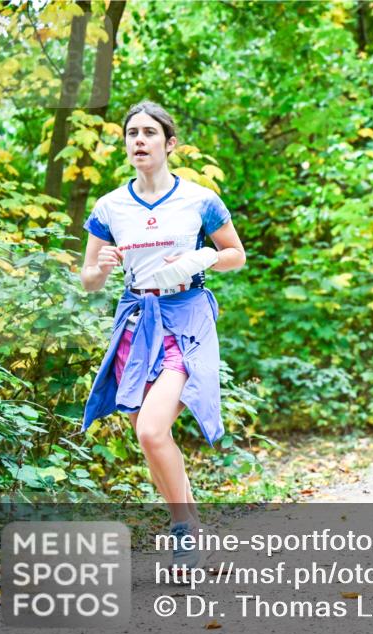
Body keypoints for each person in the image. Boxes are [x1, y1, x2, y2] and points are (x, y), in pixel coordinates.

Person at [80, 101, 246, 573]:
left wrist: (198, 260)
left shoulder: (200, 200)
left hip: (186, 318)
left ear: (169, 144)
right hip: (137, 320)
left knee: (151, 429)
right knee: (152, 436)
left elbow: (235, 254)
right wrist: (101, 267)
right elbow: (88, 278)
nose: (139, 141)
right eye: (132, 133)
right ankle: (193, 529)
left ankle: (184, 532)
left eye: (149, 133)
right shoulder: (109, 206)